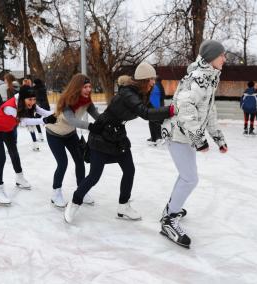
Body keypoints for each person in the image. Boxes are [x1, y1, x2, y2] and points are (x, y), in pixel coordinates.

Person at [64, 62, 174, 224]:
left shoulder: (142, 93)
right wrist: (171, 110)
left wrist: (166, 120)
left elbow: (151, 112)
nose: (153, 82)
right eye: (151, 79)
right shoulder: (128, 94)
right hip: (101, 136)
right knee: (94, 176)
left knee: (129, 170)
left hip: (118, 136)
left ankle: (123, 206)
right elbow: (145, 113)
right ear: (144, 79)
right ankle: (74, 202)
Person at [160, 40, 228, 248]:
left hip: (185, 135)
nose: (225, 59)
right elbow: (184, 108)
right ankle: (169, 220)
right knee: (190, 179)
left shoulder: (209, 77)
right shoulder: (198, 78)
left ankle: (171, 209)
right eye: (222, 55)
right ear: (211, 57)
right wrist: (199, 139)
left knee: (187, 177)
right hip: (178, 135)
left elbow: (209, 110)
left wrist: (218, 137)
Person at [0, 85, 56, 206]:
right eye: (30, 100)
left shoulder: (28, 101)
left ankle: (19, 178)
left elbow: (42, 111)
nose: (32, 102)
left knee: (14, 153)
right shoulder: (10, 107)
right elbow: (24, 121)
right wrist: (44, 121)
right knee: (1, 158)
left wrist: (57, 113)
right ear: (23, 98)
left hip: (8, 129)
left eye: (34, 99)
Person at [45, 74, 100, 208]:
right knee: (62, 163)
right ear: (77, 88)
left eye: (89, 86)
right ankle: (56, 193)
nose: (88, 89)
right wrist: (90, 126)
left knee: (80, 160)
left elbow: (97, 116)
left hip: (70, 134)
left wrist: (107, 122)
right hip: (54, 134)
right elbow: (72, 120)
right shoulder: (66, 101)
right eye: (85, 87)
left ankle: (81, 191)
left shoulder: (87, 100)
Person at [147, 76, 166, 145]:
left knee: (155, 122)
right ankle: (154, 137)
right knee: (152, 122)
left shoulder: (156, 86)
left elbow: (155, 97)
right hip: (155, 106)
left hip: (156, 107)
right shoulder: (157, 85)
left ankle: (158, 138)